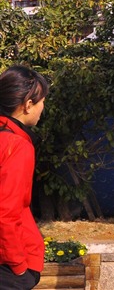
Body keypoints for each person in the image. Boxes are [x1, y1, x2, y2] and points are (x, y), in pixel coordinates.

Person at [0, 65, 50, 289]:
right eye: (42, 102)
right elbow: (6, 213)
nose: (42, 109)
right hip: (8, 267)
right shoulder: (16, 145)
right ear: (28, 105)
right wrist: (19, 266)